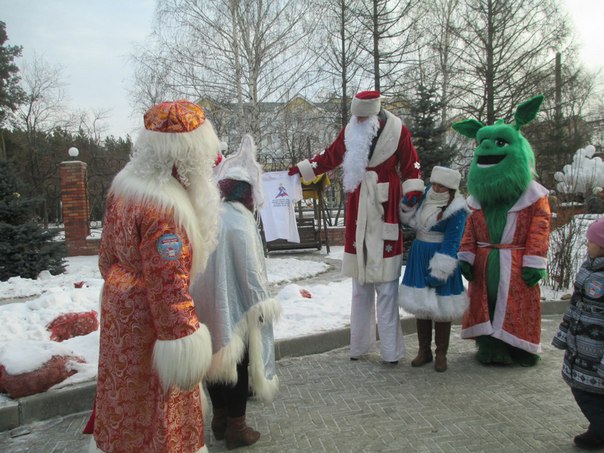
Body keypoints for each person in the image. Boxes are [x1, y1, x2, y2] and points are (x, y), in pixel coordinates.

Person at [86, 100, 221, 453]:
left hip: (121, 316)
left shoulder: (123, 189)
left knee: (124, 399)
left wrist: (122, 293)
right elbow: (168, 287)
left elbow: (106, 259)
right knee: (160, 413)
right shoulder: (166, 210)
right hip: (152, 325)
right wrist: (185, 342)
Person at [289, 90, 423, 364]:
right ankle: (360, 346)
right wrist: (301, 170)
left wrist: (412, 191)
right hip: (358, 207)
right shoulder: (351, 130)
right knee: (360, 286)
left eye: (363, 117)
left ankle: (391, 351)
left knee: (387, 286)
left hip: (385, 205)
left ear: (375, 115)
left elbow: (411, 164)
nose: (358, 121)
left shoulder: (398, 130)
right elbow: (330, 155)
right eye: (356, 117)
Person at [192, 135, 281, 450]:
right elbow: (252, 272)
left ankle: (219, 419)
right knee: (238, 360)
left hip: (204, 305)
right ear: (248, 193)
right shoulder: (241, 220)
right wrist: (260, 304)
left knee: (213, 358)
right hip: (236, 306)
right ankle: (237, 427)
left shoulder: (207, 214)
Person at [452, 95, 551, 367]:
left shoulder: (533, 196)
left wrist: (534, 261)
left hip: (517, 263)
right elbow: (470, 230)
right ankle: (490, 347)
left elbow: (540, 229)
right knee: (487, 304)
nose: (487, 147)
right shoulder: (477, 200)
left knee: (520, 305)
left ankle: (522, 347)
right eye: (482, 142)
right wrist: (466, 257)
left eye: (499, 143)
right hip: (485, 264)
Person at [398, 166, 469, 372]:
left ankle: (441, 353)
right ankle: (424, 351)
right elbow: (409, 222)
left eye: (441, 186)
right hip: (419, 255)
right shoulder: (425, 197)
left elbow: (453, 241)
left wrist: (440, 271)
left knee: (442, 308)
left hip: (440, 256)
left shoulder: (457, 209)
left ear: (451, 189)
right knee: (421, 304)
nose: (436, 188)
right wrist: (407, 205)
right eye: (435, 184)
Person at [552, 217, 604, 450]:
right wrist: (564, 333)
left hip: (597, 352)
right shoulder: (588, 268)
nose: (587, 244)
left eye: (591, 241)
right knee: (584, 389)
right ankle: (598, 431)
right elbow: (575, 305)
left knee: (588, 395)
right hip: (580, 347)